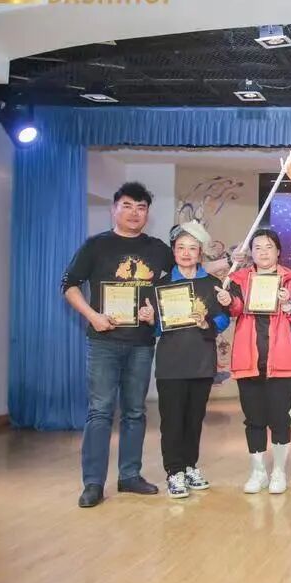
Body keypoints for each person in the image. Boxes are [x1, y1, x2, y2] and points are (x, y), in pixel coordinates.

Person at [62, 181, 173, 508]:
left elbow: (182, 278)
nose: (134, 213)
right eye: (127, 206)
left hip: (141, 343)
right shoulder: (96, 246)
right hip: (103, 342)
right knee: (100, 411)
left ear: (147, 213)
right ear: (114, 209)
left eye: (141, 207)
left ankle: (129, 475)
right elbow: (69, 285)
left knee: (135, 411)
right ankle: (93, 483)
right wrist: (92, 316)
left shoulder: (158, 249)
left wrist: (156, 313)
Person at [141, 221, 230, 498]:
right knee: (172, 421)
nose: (186, 253)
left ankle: (191, 466)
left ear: (200, 252)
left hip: (201, 361)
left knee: (194, 420)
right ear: (174, 251)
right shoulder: (161, 285)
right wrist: (151, 320)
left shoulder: (212, 284)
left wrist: (207, 323)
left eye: (192, 248)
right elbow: (157, 330)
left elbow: (224, 319)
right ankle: (174, 472)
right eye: (181, 248)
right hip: (171, 364)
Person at [219, 228, 291, 495]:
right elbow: (234, 308)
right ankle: (258, 472)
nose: (263, 252)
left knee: (280, 418)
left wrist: (289, 305)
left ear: (278, 251)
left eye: (269, 247)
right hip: (248, 359)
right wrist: (227, 299)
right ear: (251, 253)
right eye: (257, 247)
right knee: (254, 418)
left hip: (281, 360)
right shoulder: (239, 278)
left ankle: (279, 471)